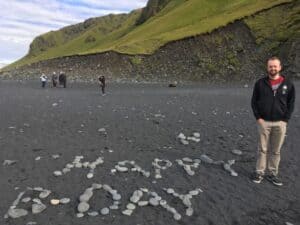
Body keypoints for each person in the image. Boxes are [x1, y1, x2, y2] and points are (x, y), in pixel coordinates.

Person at [251, 56, 295, 186]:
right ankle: (259, 172)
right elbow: (254, 102)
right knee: (262, 149)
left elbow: (291, 103)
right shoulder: (260, 83)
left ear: (280, 67)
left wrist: (285, 120)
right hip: (263, 122)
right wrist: (258, 118)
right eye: (270, 66)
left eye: (275, 66)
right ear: (267, 68)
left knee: (276, 150)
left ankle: (272, 174)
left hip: (280, 123)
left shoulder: (288, 84)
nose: (273, 68)